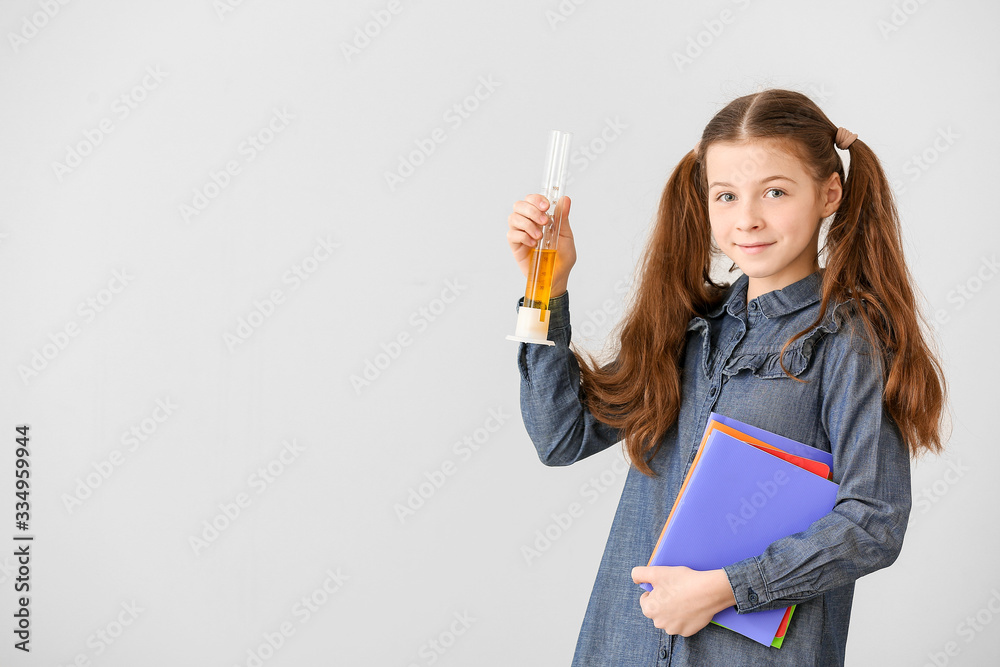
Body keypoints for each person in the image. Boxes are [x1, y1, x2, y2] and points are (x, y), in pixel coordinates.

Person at [505, 88, 948, 666]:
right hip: (624, 647)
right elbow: (560, 437)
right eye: (726, 195)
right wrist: (546, 287)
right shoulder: (688, 329)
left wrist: (727, 589)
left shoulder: (847, 343)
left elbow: (875, 521)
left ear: (829, 193)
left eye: (775, 191)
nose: (748, 218)